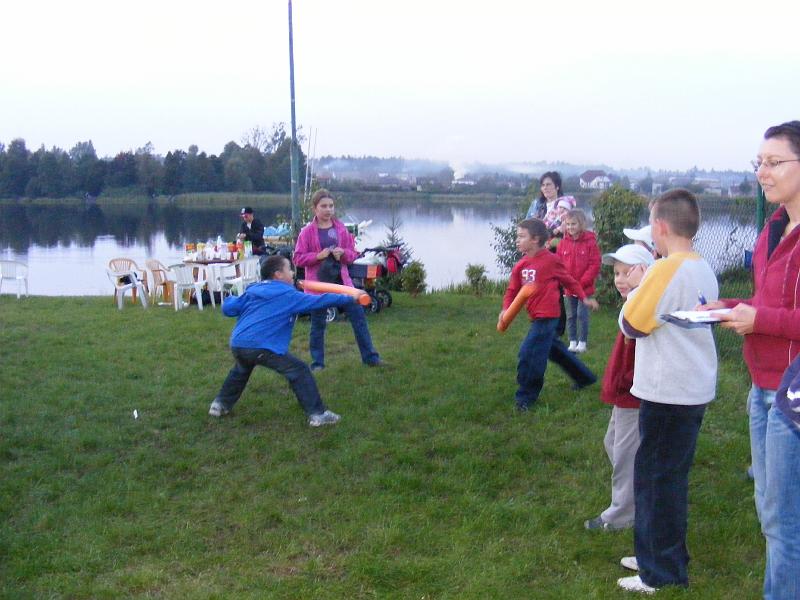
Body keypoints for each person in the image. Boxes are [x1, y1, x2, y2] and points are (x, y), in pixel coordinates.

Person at [698, 120, 800, 600]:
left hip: (793, 394)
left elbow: (772, 315)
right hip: (761, 387)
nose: (762, 172)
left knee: (784, 522)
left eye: (774, 162)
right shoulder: (773, 229)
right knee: (769, 509)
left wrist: (758, 319)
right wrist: (727, 308)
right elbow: (768, 301)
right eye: (759, 162)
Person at [616, 189, 718, 594]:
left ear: (659, 227)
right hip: (692, 386)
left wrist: (635, 288)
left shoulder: (663, 269)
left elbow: (632, 325)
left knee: (656, 481)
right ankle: (656, 552)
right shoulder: (702, 266)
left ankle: (660, 572)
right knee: (668, 477)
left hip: (668, 390)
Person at [208, 255, 354, 426]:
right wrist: (349, 298)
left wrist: (231, 299)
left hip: (238, 343)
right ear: (278, 274)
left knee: (241, 370)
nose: (293, 273)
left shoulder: (253, 291)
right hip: (262, 346)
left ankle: (220, 405)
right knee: (299, 370)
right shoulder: (288, 295)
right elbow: (319, 301)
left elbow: (229, 308)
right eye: (289, 269)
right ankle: (318, 415)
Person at [584, 244, 654, 532]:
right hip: (624, 391)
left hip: (634, 394)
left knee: (625, 455)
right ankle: (644, 491)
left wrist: (627, 381)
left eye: (627, 273)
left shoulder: (642, 304)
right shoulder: (634, 303)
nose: (620, 280)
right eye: (616, 273)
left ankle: (621, 515)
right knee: (612, 443)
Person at [499, 218, 599, 412]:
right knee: (555, 350)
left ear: (535, 239)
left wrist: (584, 298)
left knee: (529, 353)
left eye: (521, 236)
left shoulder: (551, 261)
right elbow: (512, 290)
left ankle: (526, 396)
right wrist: (505, 309)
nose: (517, 240)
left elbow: (569, 281)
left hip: (549, 316)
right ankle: (584, 378)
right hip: (535, 316)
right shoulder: (520, 265)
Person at [293, 189, 382, 371]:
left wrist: (343, 254)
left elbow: (353, 254)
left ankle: (371, 358)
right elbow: (297, 258)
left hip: (343, 283)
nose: (328, 210)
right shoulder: (307, 232)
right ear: (315, 208)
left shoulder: (341, 229)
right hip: (319, 286)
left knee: (359, 318)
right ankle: (317, 364)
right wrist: (317, 256)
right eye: (324, 206)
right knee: (318, 325)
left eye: (331, 206)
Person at [556, 208, 601, 352]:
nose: (570, 227)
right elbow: (558, 264)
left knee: (582, 315)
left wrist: (581, 283)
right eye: (568, 224)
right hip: (568, 288)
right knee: (571, 315)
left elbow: (594, 265)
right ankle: (572, 341)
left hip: (585, 288)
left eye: (573, 224)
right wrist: (565, 281)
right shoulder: (563, 243)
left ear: (581, 224)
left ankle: (582, 342)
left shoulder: (590, 242)